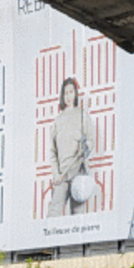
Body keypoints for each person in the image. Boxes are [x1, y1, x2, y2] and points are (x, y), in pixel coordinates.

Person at [48, 77, 93, 216]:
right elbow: (52, 151)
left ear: (75, 94)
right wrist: (56, 174)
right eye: (65, 93)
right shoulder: (58, 120)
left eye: (71, 92)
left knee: (77, 214)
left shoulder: (82, 115)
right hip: (62, 175)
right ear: (62, 96)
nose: (68, 96)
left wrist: (84, 148)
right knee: (53, 212)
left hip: (78, 172)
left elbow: (90, 140)